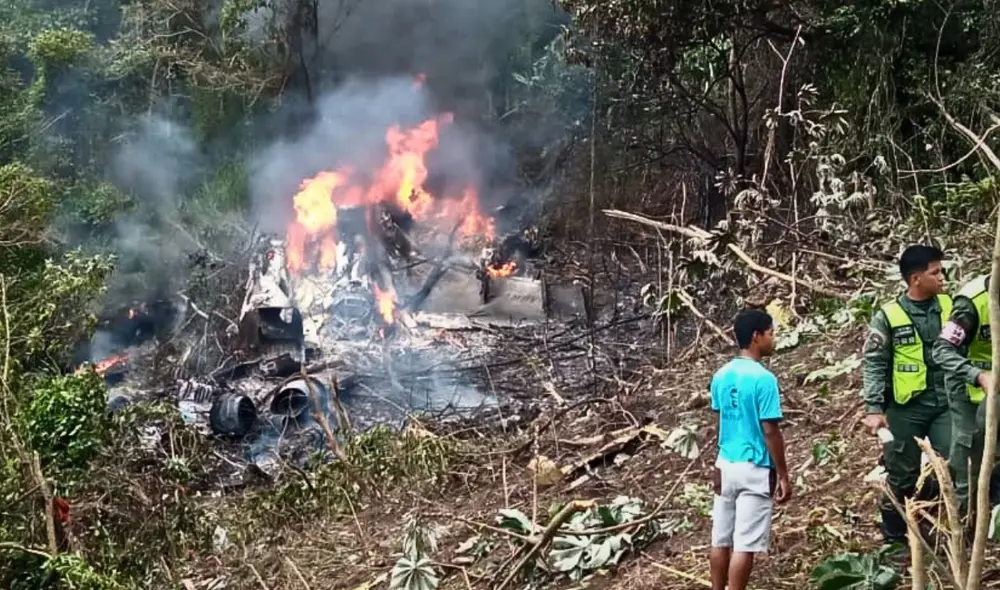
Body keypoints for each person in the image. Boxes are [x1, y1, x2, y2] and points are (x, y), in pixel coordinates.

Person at [861, 244, 951, 548]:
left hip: (946, 404)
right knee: (902, 473)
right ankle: (895, 537)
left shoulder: (951, 307)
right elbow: (874, 362)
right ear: (915, 279)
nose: (942, 277)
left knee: (953, 462)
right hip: (905, 407)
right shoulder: (889, 316)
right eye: (935, 272)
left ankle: (935, 521)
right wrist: (874, 407)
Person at [709, 309, 790, 590]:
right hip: (755, 466)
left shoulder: (721, 375)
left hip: (724, 465)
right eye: (771, 333)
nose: (773, 339)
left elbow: (721, 418)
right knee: (745, 544)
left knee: (720, 538)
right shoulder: (763, 379)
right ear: (757, 337)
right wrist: (783, 474)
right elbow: (770, 430)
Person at [933, 272, 999, 524]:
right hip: (969, 388)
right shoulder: (970, 303)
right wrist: (977, 375)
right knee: (968, 457)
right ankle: (963, 527)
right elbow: (942, 350)